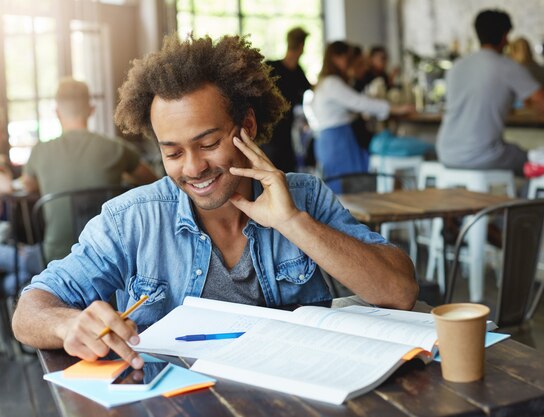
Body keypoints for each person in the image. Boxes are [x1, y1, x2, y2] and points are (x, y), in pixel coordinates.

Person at [12, 34, 418, 369]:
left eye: (208, 143)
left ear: (247, 126)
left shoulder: (305, 197)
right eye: (172, 153)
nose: (193, 168)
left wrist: (293, 222)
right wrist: (69, 325)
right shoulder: (131, 219)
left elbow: (399, 291)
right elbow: (29, 312)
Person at [0, 79, 157, 294]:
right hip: (108, 254)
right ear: (91, 110)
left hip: (55, 256)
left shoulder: (41, 151)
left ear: (57, 112)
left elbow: (26, 186)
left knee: (11, 269)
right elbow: (153, 181)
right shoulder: (116, 148)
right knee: (12, 278)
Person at [436, 10, 544, 177]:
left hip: (446, 153)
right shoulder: (507, 66)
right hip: (481, 155)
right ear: (505, 37)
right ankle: (524, 201)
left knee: (511, 152)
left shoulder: (456, 67)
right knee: (535, 162)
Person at [312, 41, 414, 192]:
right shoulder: (331, 83)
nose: (349, 64)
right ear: (335, 58)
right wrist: (396, 109)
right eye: (347, 59)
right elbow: (360, 103)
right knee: (347, 190)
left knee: (345, 189)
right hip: (338, 141)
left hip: (335, 140)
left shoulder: (328, 82)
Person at [261, 27, 312, 173]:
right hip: (270, 132)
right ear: (302, 46)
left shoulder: (298, 72)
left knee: (285, 170)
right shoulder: (272, 67)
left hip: (286, 131)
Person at [507, 37, 544, 109]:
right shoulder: (541, 69)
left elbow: (524, 101)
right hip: (543, 115)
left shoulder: (518, 71)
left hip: (525, 115)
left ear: (514, 51)